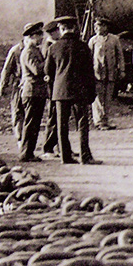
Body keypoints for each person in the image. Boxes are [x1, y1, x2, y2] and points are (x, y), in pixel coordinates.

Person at [44, 16, 99, 164]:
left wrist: (52, 93)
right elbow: (89, 72)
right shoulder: (82, 47)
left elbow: (48, 72)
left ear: (61, 29)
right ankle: (85, 156)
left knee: (62, 125)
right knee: (82, 124)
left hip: (60, 92)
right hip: (80, 91)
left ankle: (65, 157)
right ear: (74, 28)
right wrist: (92, 93)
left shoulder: (53, 48)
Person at [15, 22, 48, 162]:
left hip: (36, 92)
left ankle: (29, 153)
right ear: (32, 36)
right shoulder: (28, 52)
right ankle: (25, 153)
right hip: (32, 92)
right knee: (31, 124)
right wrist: (49, 61)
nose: (41, 38)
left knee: (34, 124)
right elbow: (37, 70)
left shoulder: (34, 50)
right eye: (39, 35)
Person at [89, 17, 125, 130]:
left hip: (110, 73)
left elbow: (120, 56)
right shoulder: (93, 40)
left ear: (105, 27)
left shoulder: (114, 39)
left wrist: (122, 70)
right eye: (95, 26)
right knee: (98, 98)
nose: (96, 28)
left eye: (99, 26)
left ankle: (106, 120)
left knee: (108, 97)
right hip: (97, 73)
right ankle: (99, 121)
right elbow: (88, 57)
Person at [0, 33, 25, 140]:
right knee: (18, 111)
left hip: (31, 85)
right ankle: (20, 137)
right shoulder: (16, 50)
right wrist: (2, 86)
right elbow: (7, 69)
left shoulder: (37, 49)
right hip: (18, 84)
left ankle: (27, 141)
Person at [40, 19, 61, 156]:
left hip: (57, 85)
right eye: (57, 31)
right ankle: (48, 147)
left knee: (58, 117)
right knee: (54, 116)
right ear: (52, 33)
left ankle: (60, 147)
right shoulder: (49, 47)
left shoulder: (54, 45)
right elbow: (48, 69)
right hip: (53, 86)